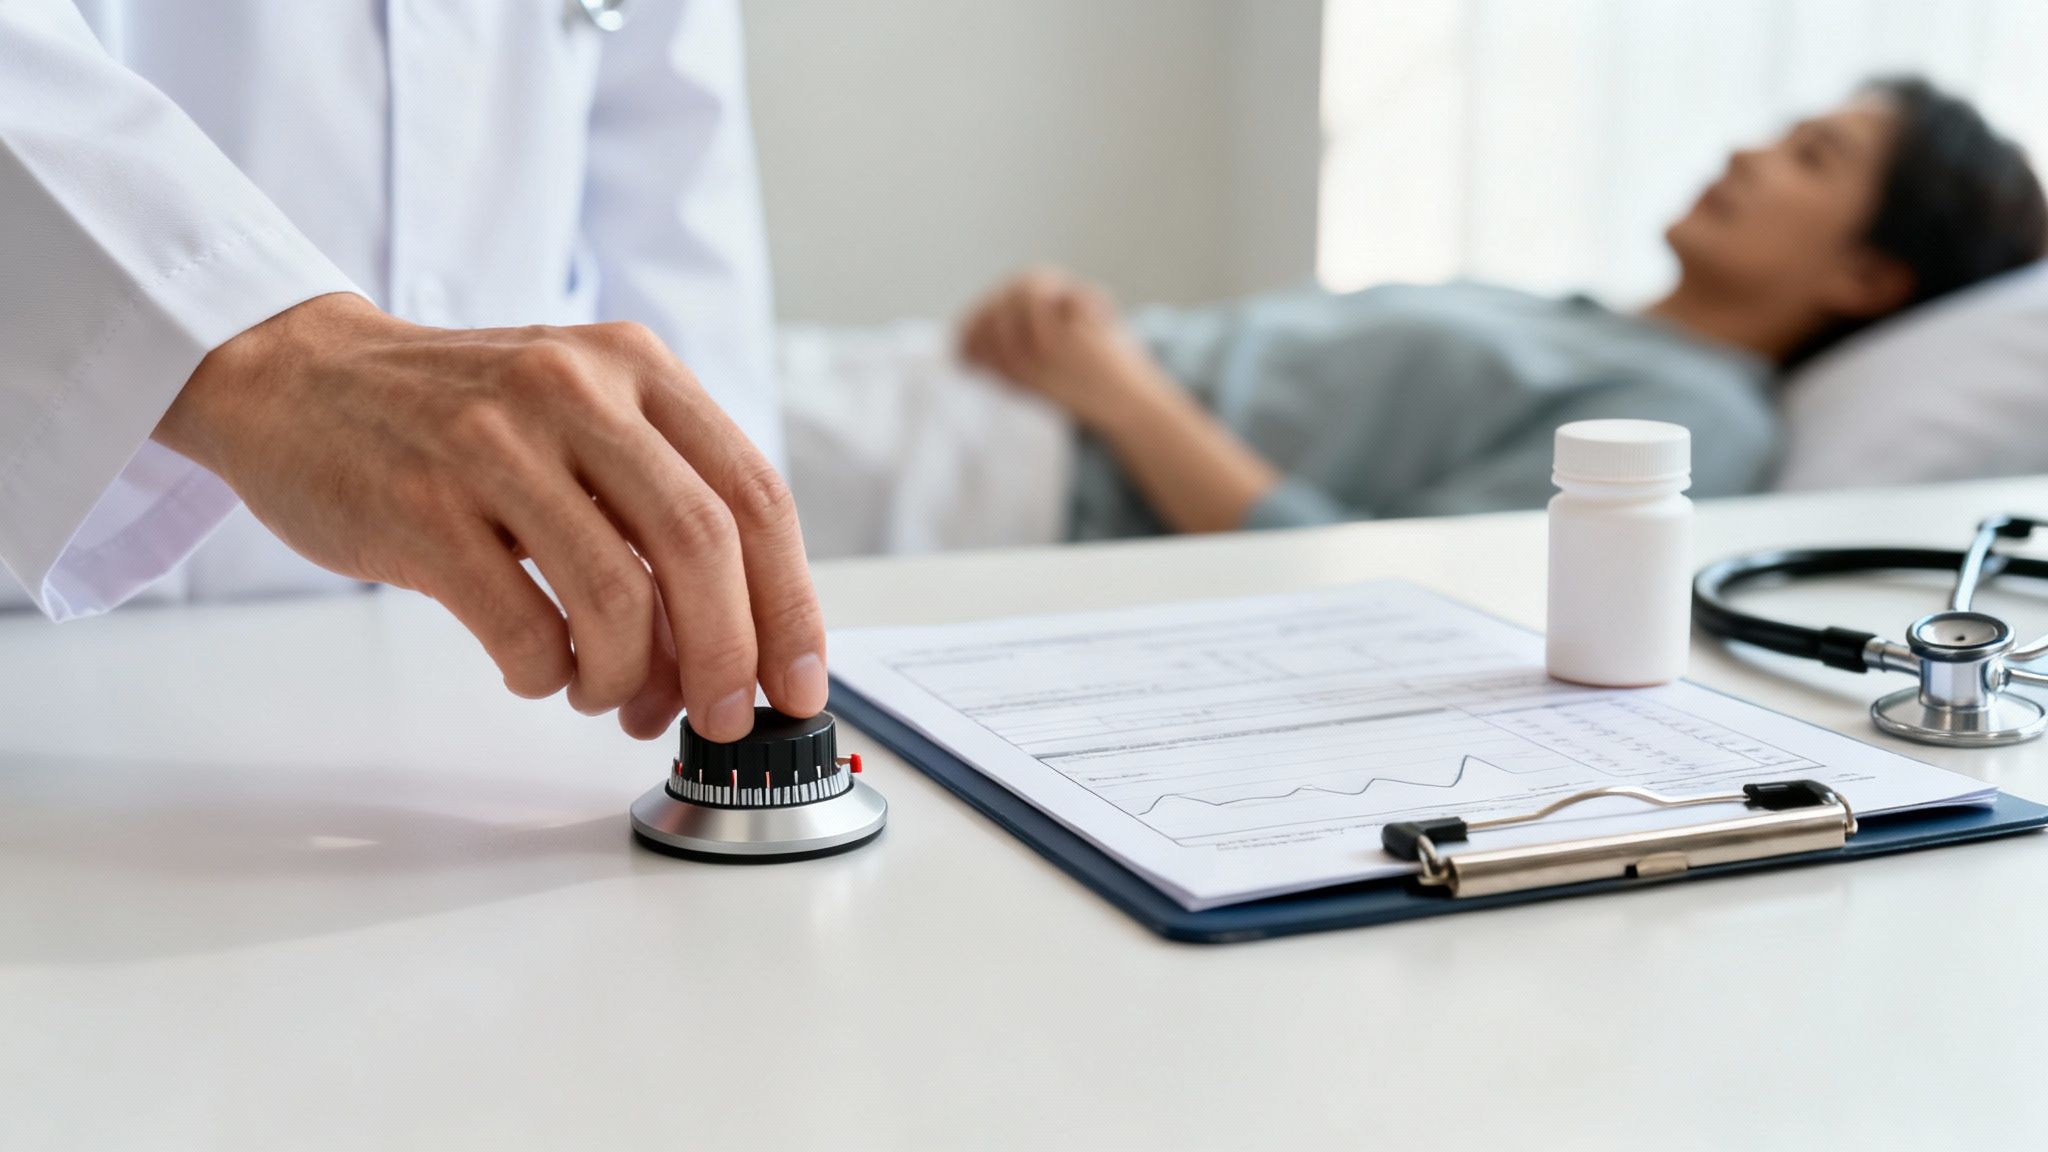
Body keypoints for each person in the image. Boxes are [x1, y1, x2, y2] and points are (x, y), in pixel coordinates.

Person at [0, 0, 822, 743]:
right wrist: (275, 363)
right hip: (43, 692)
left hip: (513, 717)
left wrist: (721, 602)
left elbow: (671, 193)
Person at [956, 78, 2047, 541]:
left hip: (1051, 471)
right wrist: (1084, 330)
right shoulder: (1586, 322)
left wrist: (1122, 395)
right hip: (1028, 387)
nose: (1745, 154)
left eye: (1809, 157)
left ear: (1866, 276)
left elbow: (1386, 592)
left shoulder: (1687, 421)